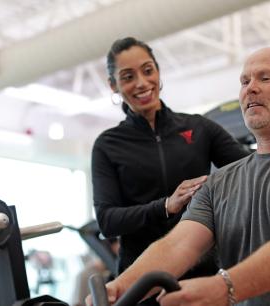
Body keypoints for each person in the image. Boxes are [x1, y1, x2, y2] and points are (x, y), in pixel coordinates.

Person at [87, 47, 270, 306]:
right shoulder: (218, 182)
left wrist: (223, 287)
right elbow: (178, 245)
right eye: (244, 82)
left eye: (265, 78)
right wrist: (120, 288)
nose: (251, 88)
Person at [91, 36, 250, 287]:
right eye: (128, 76)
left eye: (147, 70)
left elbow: (250, 167)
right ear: (113, 85)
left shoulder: (199, 128)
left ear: (157, 70)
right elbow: (108, 221)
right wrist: (165, 205)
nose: (142, 83)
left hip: (201, 274)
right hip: (141, 282)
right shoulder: (108, 144)